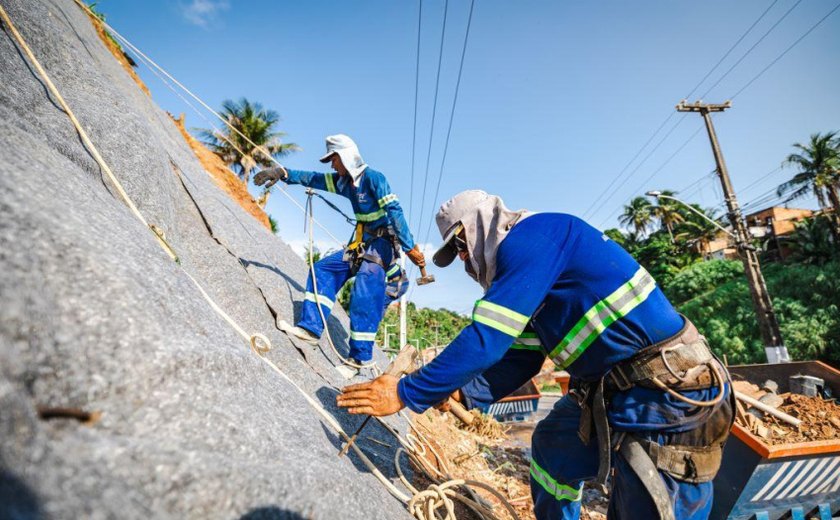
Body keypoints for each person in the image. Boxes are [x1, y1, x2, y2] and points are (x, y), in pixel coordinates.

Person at [337, 190, 733, 520]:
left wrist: (408, 392)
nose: (462, 260)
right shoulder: (533, 276)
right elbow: (521, 358)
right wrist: (461, 393)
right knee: (554, 449)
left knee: (651, 504)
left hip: (667, 393)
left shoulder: (534, 238)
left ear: (478, 225)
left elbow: (487, 336)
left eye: (460, 245)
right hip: (614, 391)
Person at [255, 134, 425, 378]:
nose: (332, 165)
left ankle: (358, 360)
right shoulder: (344, 183)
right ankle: (311, 329)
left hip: (382, 244)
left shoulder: (374, 179)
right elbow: (313, 178)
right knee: (323, 269)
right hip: (361, 243)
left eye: (333, 159)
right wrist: (282, 173)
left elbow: (394, 211)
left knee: (365, 288)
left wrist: (410, 248)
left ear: (345, 156)